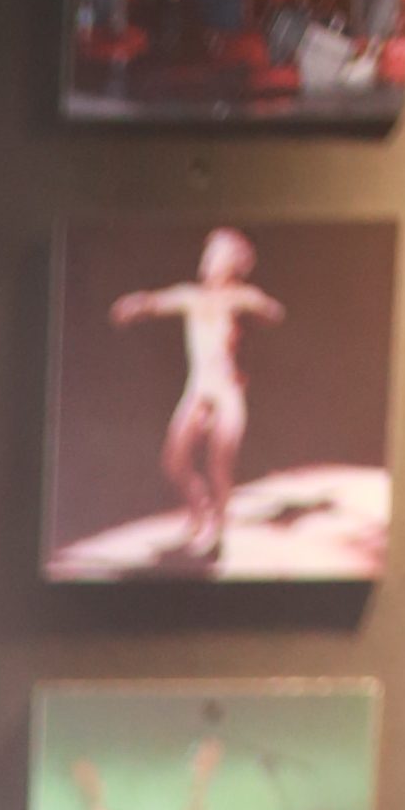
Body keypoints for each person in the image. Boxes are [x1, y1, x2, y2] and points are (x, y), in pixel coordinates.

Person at [110, 228, 280, 569]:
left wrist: (258, 308)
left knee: (219, 464)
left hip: (227, 391)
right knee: (174, 461)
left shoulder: (240, 297)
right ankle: (199, 509)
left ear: (231, 265)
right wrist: (134, 305)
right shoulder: (191, 296)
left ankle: (219, 532)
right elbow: (155, 301)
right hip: (199, 388)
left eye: (216, 256)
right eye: (207, 255)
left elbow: (273, 312)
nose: (207, 261)